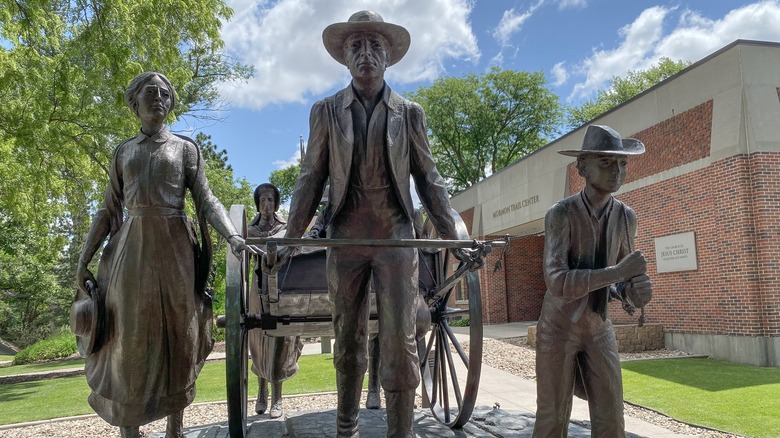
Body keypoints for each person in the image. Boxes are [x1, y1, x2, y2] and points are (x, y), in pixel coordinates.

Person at [265, 11, 475, 437]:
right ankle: (347, 428)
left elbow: (430, 181)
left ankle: (401, 431)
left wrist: (456, 236)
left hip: (397, 239)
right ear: (344, 56)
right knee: (348, 342)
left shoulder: (409, 113)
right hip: (345, 240)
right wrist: (289, 239)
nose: (365, 54)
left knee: (401, 342)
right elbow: (309, 180)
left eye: (374, 45)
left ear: (388, 57)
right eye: (356, 45)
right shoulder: (325, 111)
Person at [74, 72, 256, 438]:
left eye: (165, 93)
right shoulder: (124, 152)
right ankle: (130, 428)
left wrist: (233, 236)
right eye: (150, 93)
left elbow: (206, 199)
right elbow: (109, 210)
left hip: (177, 252)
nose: (159, 98)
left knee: (180, 335)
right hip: (131, 253)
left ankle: (175, 428)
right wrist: (83, 259)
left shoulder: (186, 149)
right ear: (134, 103)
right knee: (129, 338)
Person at [532, 125, 653, 437]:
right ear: (582, 167)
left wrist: (633, 293)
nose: (617, 170)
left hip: (599, 328)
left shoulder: (626, 217)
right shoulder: (560, 214)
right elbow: (557, 282)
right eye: (606, 162)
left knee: (612, 420)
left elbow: (619, 283)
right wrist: (618, 273)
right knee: (552, 419)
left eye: (622, 163)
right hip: (559, 328)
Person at [247, 183, 303, 418]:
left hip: (282, 287)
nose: (266, 204)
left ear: (276, 203)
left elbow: (295, 246)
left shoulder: (285, 227)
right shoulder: (250, 229)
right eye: (262, 200)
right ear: (258, 204)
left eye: (270, 200)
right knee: (259, 340)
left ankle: (277, 397)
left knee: (280, 342)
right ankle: (261, 391)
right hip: (258, 290)